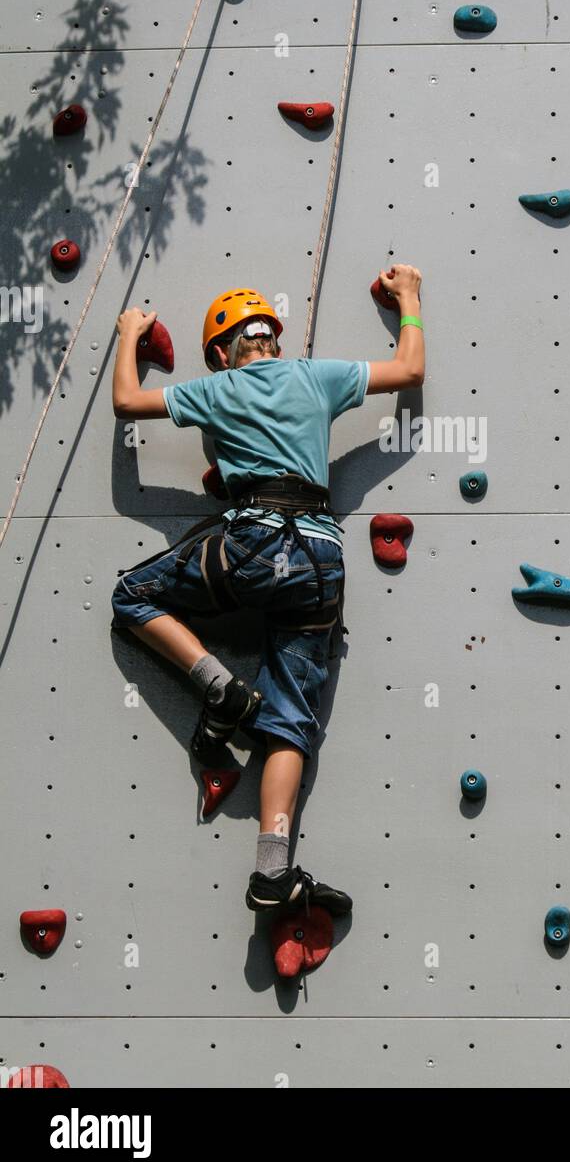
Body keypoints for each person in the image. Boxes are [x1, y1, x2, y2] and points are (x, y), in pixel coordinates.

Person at [110, 267, 424, 916]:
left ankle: (219, 687)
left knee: (133, 597)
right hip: (320, 562)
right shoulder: (319, 376)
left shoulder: (220, 385)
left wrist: (129, 335)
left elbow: (128, 406)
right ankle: (272, 871)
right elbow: (409, 372)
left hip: (250, 546)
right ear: (274, 343)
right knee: (288, 726)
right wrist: (410, 300)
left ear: (223, 352)